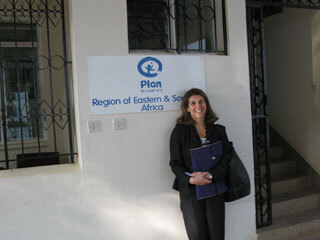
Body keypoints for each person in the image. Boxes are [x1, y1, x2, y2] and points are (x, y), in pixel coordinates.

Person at [169, 88, 233, 240]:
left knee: (217, 235)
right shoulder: (179, 132)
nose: (198, 106)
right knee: (197, 236)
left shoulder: (219, 130)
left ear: (206, 104)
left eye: (201, 101)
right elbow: (175, 163)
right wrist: (191, 179)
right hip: (191, 192)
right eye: (193, 103)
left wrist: (211, 175)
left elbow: (228, 157)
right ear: (187, 108)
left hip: (214, 187)